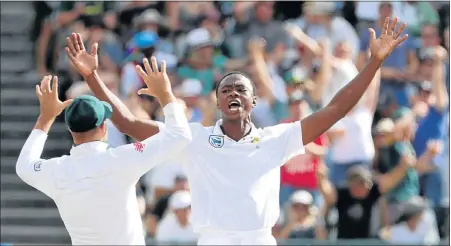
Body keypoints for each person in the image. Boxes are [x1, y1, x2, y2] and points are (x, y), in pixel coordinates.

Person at [65, 17, 408, 245]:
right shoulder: (193, 138)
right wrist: (92, 77)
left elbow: (334, 110)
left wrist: (373, 62)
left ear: (254, 101)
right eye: (226, 89)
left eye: (240, 89)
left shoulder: (277, 138)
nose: (233, 93)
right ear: (216, 101)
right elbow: (126, 123)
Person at [15, 69, 192, 244]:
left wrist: (46, 118)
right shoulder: (123, 158)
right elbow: (180, 135)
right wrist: (165, 93)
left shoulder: (57, 170)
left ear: (71, 130)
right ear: (103, 128)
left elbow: (24, 166)